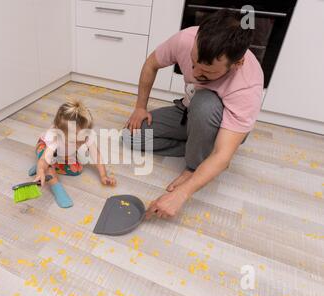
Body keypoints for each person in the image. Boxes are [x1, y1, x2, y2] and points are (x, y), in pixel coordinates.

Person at [123, 9, 264, 219]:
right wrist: (140, 107)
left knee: (205, 102)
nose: (196, 74)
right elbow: (151, 63)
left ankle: (195, 164)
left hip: (220, 123)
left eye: (207, 72)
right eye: (193, 63)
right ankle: (199, 147)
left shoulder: (247, 85)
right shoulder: (186, 38)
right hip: (188, 109)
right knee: (131, 137)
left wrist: (181, 193)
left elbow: (223, 157)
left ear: (237, 63)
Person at [32, 100, 116, 208]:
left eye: (81, 140)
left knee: (76, 170)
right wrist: (40, 170)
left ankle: (46, 166)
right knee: (47, 164)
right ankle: (57, 188)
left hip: (63, 152)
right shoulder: (55, 137)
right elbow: (45, 159)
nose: (79, 143)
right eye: (74, 141)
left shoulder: (84, 135)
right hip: (44, 147)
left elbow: (96, 155)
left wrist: (104, 175)